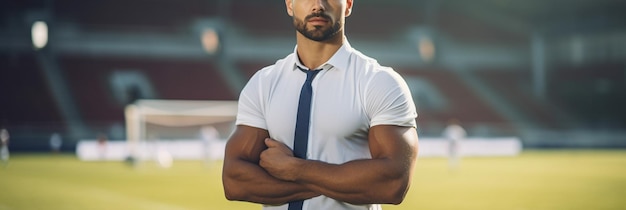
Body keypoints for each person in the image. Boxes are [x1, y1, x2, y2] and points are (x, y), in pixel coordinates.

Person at [222, 0, 419, 209]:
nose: (318, 5)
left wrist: (297, 170)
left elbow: (392, 184)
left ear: (349, 5)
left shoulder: (379, 82)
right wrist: (333, 183)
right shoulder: (263, 83)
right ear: (290, 5)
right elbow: (235, 182)